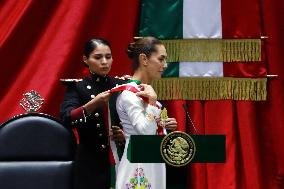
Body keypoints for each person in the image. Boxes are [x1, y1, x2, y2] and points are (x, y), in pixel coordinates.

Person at [60, 38, 125, 189]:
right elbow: (67, 118)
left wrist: (124, 134)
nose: (104, 62)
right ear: (85, 59)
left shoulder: (121, 86)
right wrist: (93, 104)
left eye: (108, 57)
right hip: (89, 162)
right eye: (98, 57)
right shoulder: (78, 87)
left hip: (120, 158)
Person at [115, 36, 177, 189]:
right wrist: (152, 103)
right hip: (137, 165)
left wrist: (165, 126)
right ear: (144, 59)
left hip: (153, 163)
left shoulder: (146, 93)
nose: (165, 65)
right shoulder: (130, 95)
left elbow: (152, 129)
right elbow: (144, 131)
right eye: (161, 59)